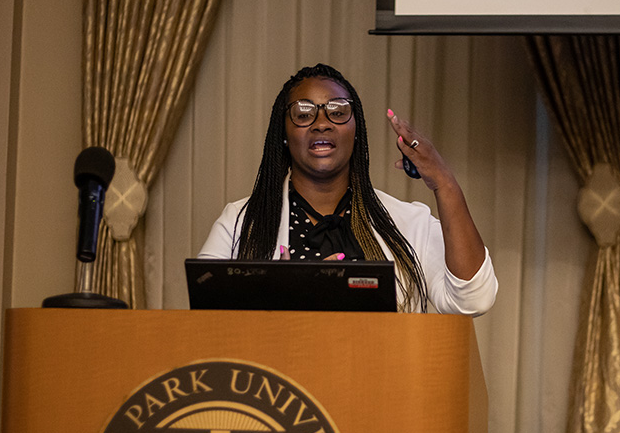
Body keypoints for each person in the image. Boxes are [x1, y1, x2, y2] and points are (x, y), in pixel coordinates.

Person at [198, 64, 497, 316]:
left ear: (357, 132)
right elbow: (206, 319)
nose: (321, 124)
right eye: (303, 114)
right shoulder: (241, 222)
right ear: (284, 135)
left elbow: (472, 300)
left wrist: (445, 184)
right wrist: (282, 294)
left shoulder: (407, 223)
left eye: (338, 112)